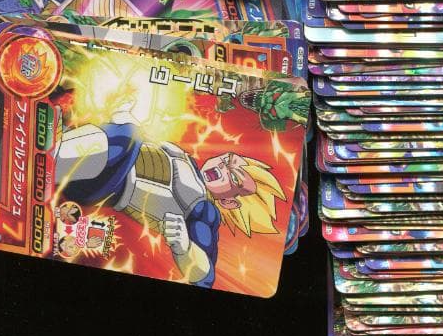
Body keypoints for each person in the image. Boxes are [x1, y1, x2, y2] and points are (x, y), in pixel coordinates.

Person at [53, 104, 286, 286]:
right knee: (123, 132)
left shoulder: (203, 209)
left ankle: (53, 153)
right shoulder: (186, 160)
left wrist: (184, 248)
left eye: (233, 178)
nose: (223, 168)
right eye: (227, 160)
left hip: (110, 183)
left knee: (123, 136)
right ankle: (56, 146)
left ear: (229, 201)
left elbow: (204, 275)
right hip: (104, 158)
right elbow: (148, 148)